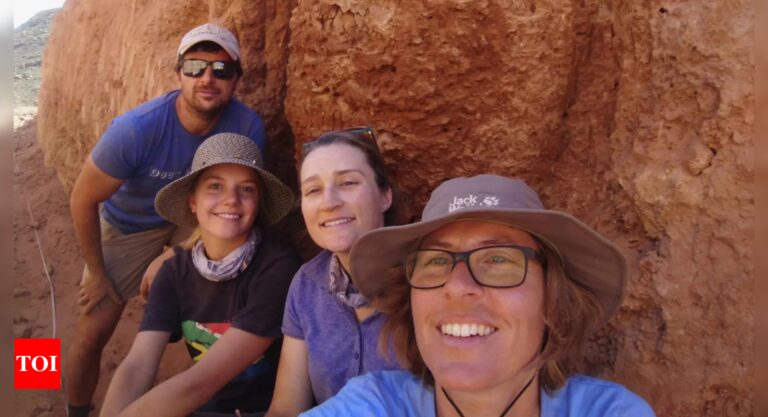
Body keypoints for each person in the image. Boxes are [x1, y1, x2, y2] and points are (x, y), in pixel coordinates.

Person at [303, 174, 656, 417]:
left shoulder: (609, 411)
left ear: (552, 302)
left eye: (499, 260)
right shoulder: (375, 404)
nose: (456, 287)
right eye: (436, 261)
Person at [66, 23, 266, 417]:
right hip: (129, 225)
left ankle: (218, 392)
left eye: (222, 69)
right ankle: (73, 408)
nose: (207, 78)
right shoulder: (136, 130)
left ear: (237, 80)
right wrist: (97, 271)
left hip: (194, 220)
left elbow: (240, 202)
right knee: (92, 331)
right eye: (195, 67)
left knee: (221, 285)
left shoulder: (247, 127)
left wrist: (173, 254)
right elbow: (82, 200)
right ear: (179, 74)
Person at [99, 133, 301, 417]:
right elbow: (138, 364)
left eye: (246, 189)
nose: (231, 200)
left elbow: (202, 382)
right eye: (215, 186)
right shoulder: (173, 272)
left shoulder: (277, 269)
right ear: (192, 201)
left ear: (258, 203)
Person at [264, 128, 404, 417]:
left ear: (385, 195)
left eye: (349, 182)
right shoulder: (307, 284)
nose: (329, 202)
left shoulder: (428, 284)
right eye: (313, 190)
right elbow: (287, 407)